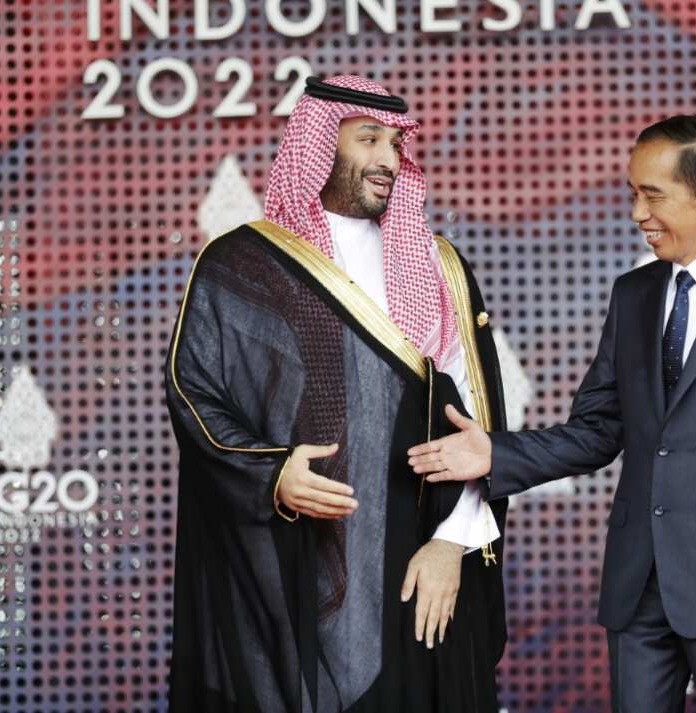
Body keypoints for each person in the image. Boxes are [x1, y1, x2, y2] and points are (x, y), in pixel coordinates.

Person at [408, 115, 696, 713]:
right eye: (633, 193)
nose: (638, 212)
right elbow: (599, 429)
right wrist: (494, 454)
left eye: (653, 195)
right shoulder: (633, 294)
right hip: (637, 590)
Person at [165, 74, 509, 713]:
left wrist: (455, 541)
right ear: (319, 144)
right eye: (368, 138)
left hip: (419, 552)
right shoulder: (242, 263)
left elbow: (478, 424)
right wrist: (273, 471)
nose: (388, 159)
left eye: (396, 143)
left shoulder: (438, 264)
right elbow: (195, 392)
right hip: (296, 551)